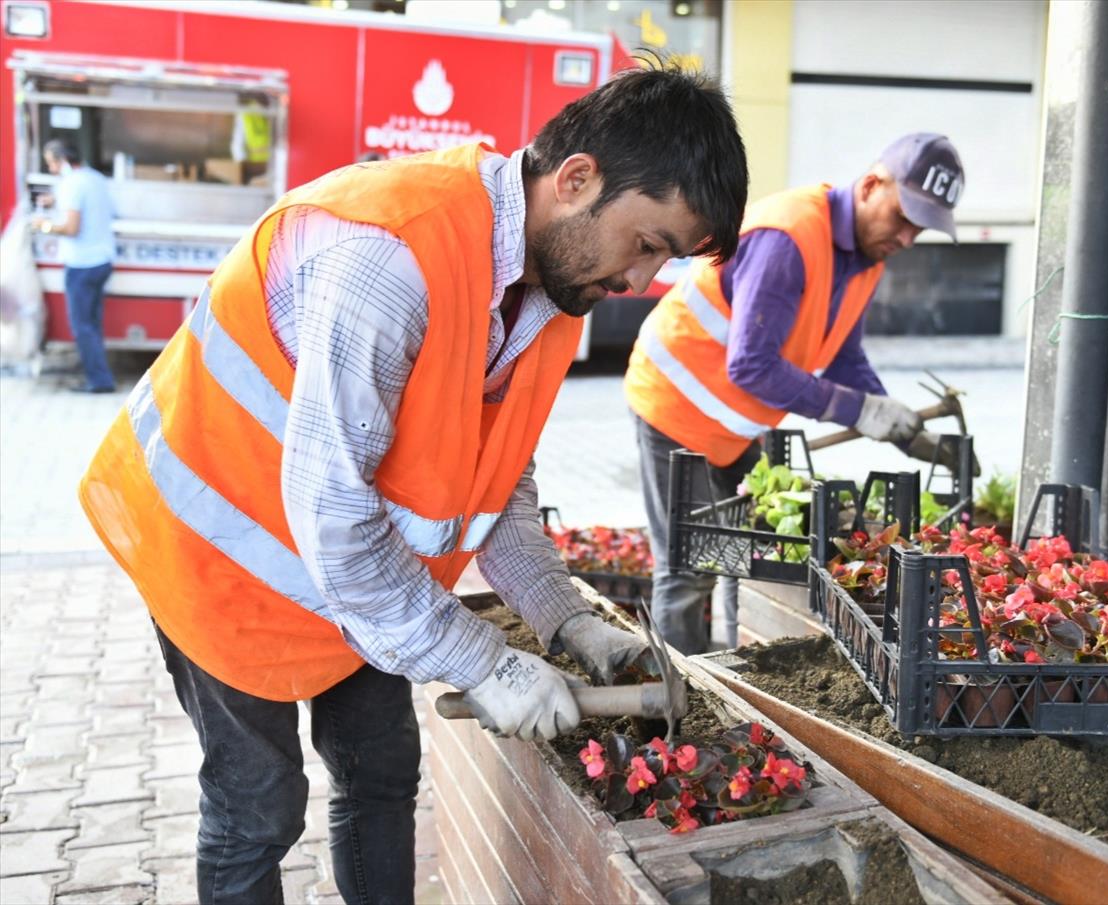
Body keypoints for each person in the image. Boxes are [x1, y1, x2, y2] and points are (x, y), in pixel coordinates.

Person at [79, 64, 747, 904]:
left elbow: (496, 482)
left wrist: (567, 621)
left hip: (343, 568)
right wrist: (486, 663)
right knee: (259, 807)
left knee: (383, 769)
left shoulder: (549, 286)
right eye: (648, 244)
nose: (640, 282)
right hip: (218, 555)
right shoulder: (390, 256)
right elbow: (335, 518)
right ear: (578, 180)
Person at [624, 132, 966, 654]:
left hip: (738, 425)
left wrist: (892, 418)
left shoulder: (865, 259)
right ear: (872, 184)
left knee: (753, 551)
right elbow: (753, 367)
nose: (907, 238)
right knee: (687, 567)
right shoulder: (789, 236)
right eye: (904, 217)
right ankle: (681, 705)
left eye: (921, 228)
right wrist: (860, 409)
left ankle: (736, 677)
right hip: (675, 406)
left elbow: (845, 356)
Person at [31, 140, 117, 393]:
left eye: (52, 164)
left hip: (82, 264)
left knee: (82, 326)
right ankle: (98, 375)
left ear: (63, 160)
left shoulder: (71, 184)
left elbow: (71, 228)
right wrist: (56, 199)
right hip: (101, 260)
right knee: (92, 324)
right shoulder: (95, 178)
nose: (52, 170)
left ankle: (99, 381)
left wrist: (43, 225)